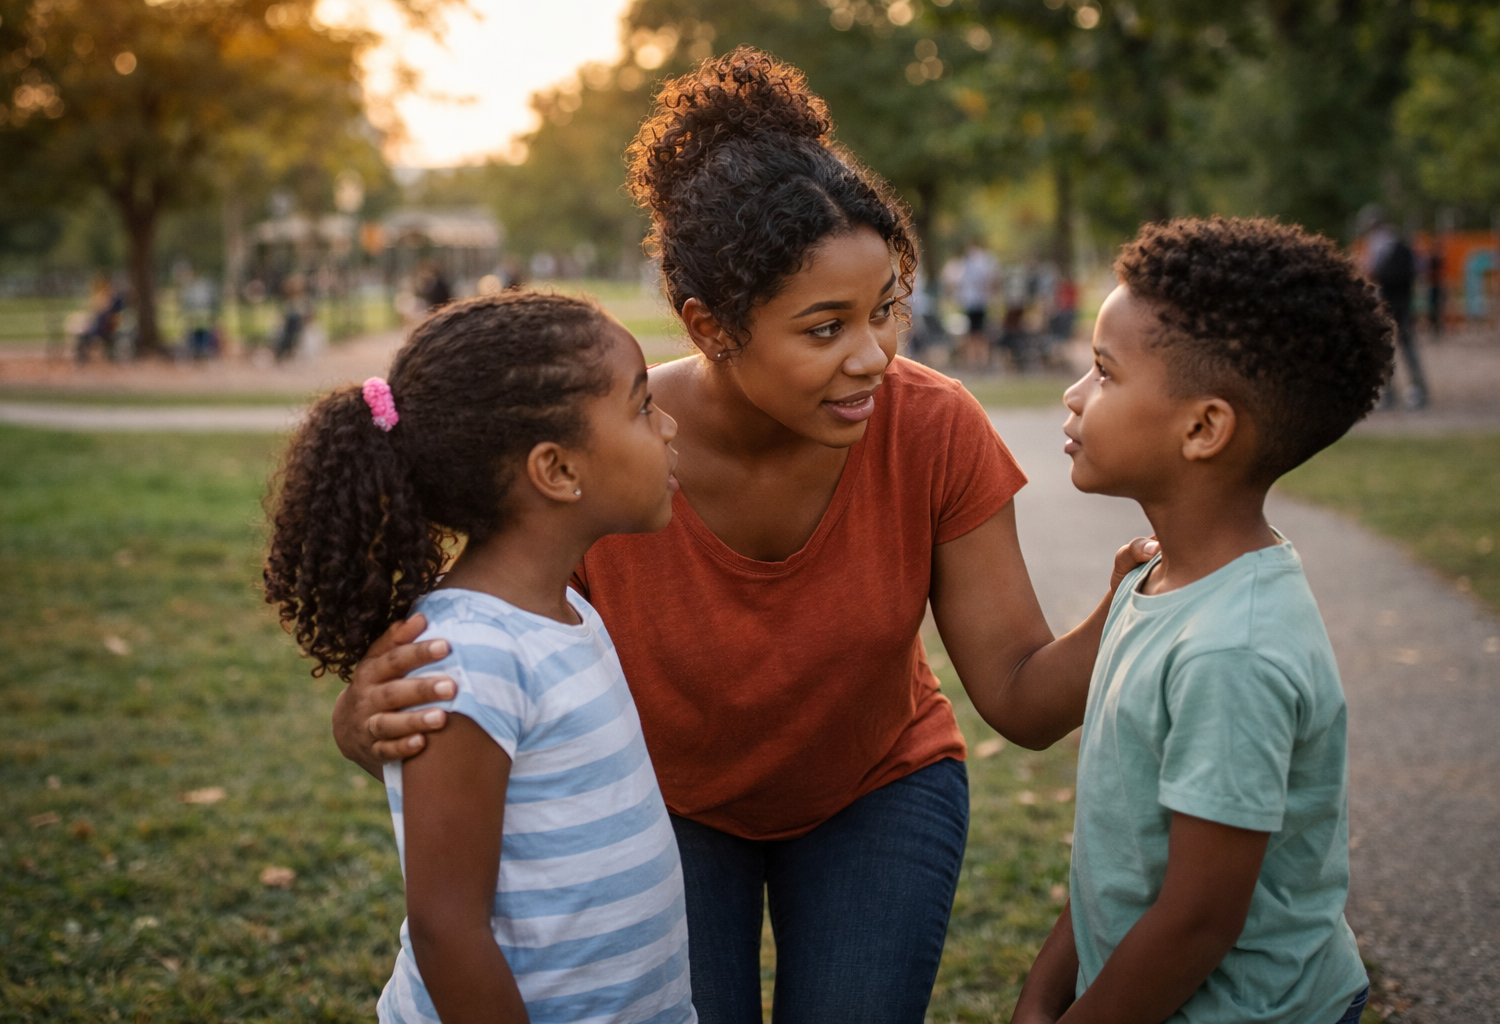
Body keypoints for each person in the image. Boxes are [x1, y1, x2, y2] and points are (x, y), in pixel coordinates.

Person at [332, 49, 1151, 1023]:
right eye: (824, 327)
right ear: (709, 325)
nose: (873, 356)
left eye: (888, 308)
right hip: (668, 810)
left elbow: (1018, 695)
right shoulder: (610, 462)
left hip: (874, 792)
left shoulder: (933, 426)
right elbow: (485, 678)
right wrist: (365, 722)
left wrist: (1131, 603)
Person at [262, 292, 695, 1023]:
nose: (669, 424)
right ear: (555, 470)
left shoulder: (565, 612)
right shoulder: (468, 655)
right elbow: (446, 927)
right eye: (643, 406)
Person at [1011, 218, 1391, 1024]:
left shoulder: (1232, 650)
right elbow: (1122, 861)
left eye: (1105, 374)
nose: (1075, 395)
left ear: (1204, 428)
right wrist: (1045, 991)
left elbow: (1196, 922)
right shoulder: (1156, 582)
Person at [1359, 207, 1426, 409]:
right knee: (1407, 345)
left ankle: (1388, 393)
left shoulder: (1377, 242)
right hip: (1403, 300)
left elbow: (1370, 271)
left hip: (1385, 301)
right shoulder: (1399, 241)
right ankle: (1419, 389)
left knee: (1384, 346)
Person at [954, 238, 999, 369]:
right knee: (976, 333)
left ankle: (977, 360)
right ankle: (977, 361)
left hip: (976, 302)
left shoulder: (975, 263)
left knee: (977, 333)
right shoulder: (980, 262)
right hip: (975, 302)